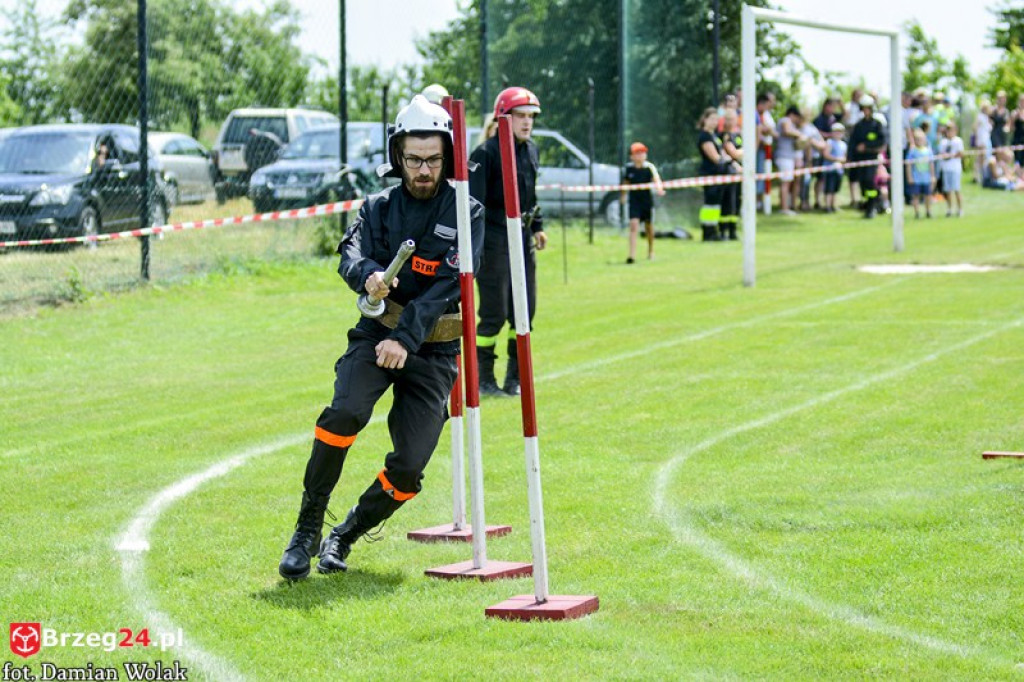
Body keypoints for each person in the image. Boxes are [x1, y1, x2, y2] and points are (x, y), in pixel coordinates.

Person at [277, 95, 484, 581]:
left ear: (448, 157)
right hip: (375, 335)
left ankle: (345, 534)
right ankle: (307, 529)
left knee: (409, 470)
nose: (423, 170)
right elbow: (348, 251)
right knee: (344, 413)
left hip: (431, 349)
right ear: (397, 157)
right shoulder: (377, 208)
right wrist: (367, 275)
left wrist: (407, 339)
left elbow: (449, 285)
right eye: (413, 159)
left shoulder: (467, 211)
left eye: (433, 159)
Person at [470, 86, 547, 397]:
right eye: (520, 116)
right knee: (494, 312)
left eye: (531, 117)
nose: (527, 123)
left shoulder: (531, 151)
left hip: (523, 237)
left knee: (524, 311)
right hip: (493, 241)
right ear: (504, 117)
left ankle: (514, 378)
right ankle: (484, 378)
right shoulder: (485, 154)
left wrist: (538, 226)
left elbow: (531, 194)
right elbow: (472, 204)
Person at [620, 141, 665, 262]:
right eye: (637, 153)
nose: (640, 155)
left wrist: (659, 189)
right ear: (632, 156)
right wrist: (623, 196)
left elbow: (656, 179)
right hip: (634, 201)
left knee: (648, 227)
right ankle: (632, 255)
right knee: (633, 225)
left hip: (646, 201)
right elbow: (625, 183)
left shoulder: (649, 167)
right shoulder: (628, 169)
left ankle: (651, 251)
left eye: (642, 153)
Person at [849, 95, 887, 218]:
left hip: (872, 158)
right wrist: (850, 157)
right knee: (863, 184)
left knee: (869, 181)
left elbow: (881, 141)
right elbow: (853, 142)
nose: (866, 111)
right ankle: (877, 201)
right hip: (860, 159)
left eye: (868, 108)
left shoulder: (877, 125)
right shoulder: (859, 125)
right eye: (863, 108)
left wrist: (866, 146)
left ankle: (871, 207)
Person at [696, 107, 727, 241]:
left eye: (716, 119)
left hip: (718, 174)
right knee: (710, 203)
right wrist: (725, 161)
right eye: (712, 119)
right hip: (710, 173)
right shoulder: (705, 136)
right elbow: (715, 157)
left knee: (715, 203)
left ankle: (714, 229)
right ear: (705, 119)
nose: (714, 122)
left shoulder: (715, 136)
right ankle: (708, 231)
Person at [774, 106, 805, 216]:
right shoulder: (785, 120)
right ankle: (784, 208)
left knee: (787, 183)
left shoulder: (791, 124)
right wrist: (799, 134)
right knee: (785, 183)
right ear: (792, 114)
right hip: (784, 156)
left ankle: (786, 206)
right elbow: (787, 131)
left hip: (788, 157)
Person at [719, 109, 743, 240]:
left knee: (736, 203)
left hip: (737, 174)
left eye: (733, 118)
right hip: (727, 173)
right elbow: (733, 153)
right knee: (727, 203)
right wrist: (745, 151)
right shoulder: (724, 136)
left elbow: (737, 152)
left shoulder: (737, 135)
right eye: (728, 119)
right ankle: (723, 231)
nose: (731, 122)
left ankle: (733, 231)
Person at [906, 129, 935, 219]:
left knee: (928, 195)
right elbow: (909, 165)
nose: (919, 141)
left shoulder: (928, 151)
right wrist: (910, 177)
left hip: (926, 178)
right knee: (916, 196)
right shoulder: (912, 151)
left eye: (921, 139)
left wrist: (933, 176)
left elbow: (931, 164)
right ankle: (917, 213)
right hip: (916, 178)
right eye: (917, 139)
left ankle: (928, 211)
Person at [937, 121, 964, 217]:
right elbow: (941, 154)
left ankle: (960, 209)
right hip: (946, 168)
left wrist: (951, 155)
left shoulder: (958, 141)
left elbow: (960, 154)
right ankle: (949, 209)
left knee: (956, 189)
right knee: (947, 190)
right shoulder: (943, 142)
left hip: (955, 168)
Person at [822, 122, 847, 213]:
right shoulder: (829, 142)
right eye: (836, 131)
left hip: (839, 170)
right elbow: (826, 154)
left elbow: (844, 157)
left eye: (840, 132)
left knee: (835, 189)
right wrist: (837, 159)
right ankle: (828, 206)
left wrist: (842, 160)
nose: (838, 134)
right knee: (829, 189)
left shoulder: (843, 144)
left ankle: (833, 205)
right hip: (830, 169)